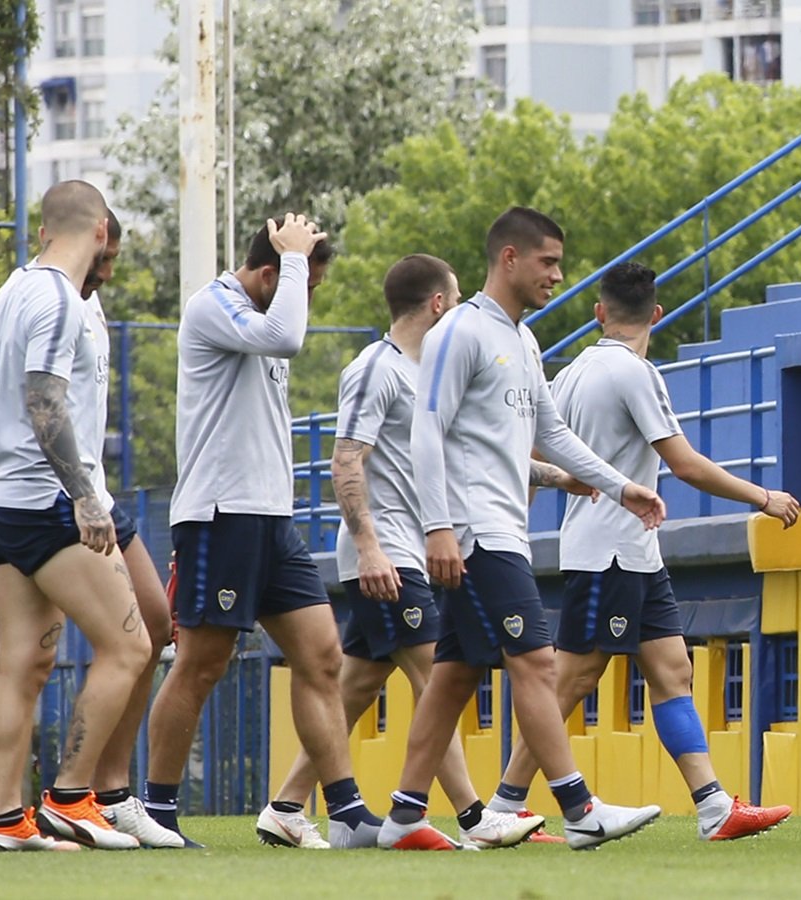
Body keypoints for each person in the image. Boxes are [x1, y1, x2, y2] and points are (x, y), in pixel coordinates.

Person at [378, 207, 666, 851]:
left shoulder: (525, 340)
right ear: (509, 258)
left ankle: (402, 818)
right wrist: (439, 528)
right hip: (476, 532)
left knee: (453, 675)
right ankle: (580, 809)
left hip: (503, 526)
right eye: (548, 262)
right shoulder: (462, 331)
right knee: (537, 661)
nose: (558, 275)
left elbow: (551, 433)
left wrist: (618, 485)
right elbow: (427, 431)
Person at [260, 253, 570, 850]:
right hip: (392, 553)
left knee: (357, 686)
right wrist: (370, 547)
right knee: (441, 677)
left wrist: (563, 477)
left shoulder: (432, 374)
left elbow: (472, 455)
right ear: (438, 305)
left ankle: (287, 805)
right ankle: (475, 816)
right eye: (456, 300)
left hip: (409, 550)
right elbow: (346, 458)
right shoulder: (378, 369)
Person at [484, 261, 800, 841]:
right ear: (655, 315)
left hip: (632, 552)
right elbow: (682, 463)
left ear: (599, 312)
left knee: (672, 669)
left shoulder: (572, 372)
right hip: (610, 552)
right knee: (571, 680)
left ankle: (713, 807)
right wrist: (763, 496)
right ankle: (503, 807)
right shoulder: (635, 373)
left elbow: (535, 454)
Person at [143, 214, 383, 849]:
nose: (312, 300)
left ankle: (346, 812)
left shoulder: (268, 313)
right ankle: (157, 812)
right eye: (308, 285)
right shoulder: (213, 305)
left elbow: (282, 335)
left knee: (322, 656)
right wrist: (297, 265)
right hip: (221, 514)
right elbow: (286, 340)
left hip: (272, 518)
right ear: (274, 274)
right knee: (201, 663)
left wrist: (297, 269)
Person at [0, 210, 183, 850]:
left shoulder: (13, 289)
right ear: (95, 232)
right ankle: (71, 796)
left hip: (4, 497)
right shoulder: (60, 297)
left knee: (24, 664)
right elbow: (43, 396)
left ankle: (3, 818)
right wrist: (86, 497)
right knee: (131, 647)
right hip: (49, 500)